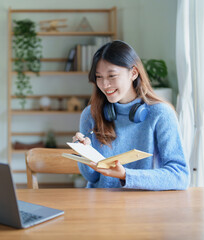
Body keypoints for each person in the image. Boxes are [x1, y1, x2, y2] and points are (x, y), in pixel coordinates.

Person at [72, 40, 189, 190]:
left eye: (112, 76)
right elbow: (92, 177)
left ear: (133, 73)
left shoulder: (161, 114)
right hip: (101, 204)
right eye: (99, 77)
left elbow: (180, 175)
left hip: (143, 204)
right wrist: (84, 154)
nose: (104, 85)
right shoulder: (90, 114)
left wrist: (126, 175)